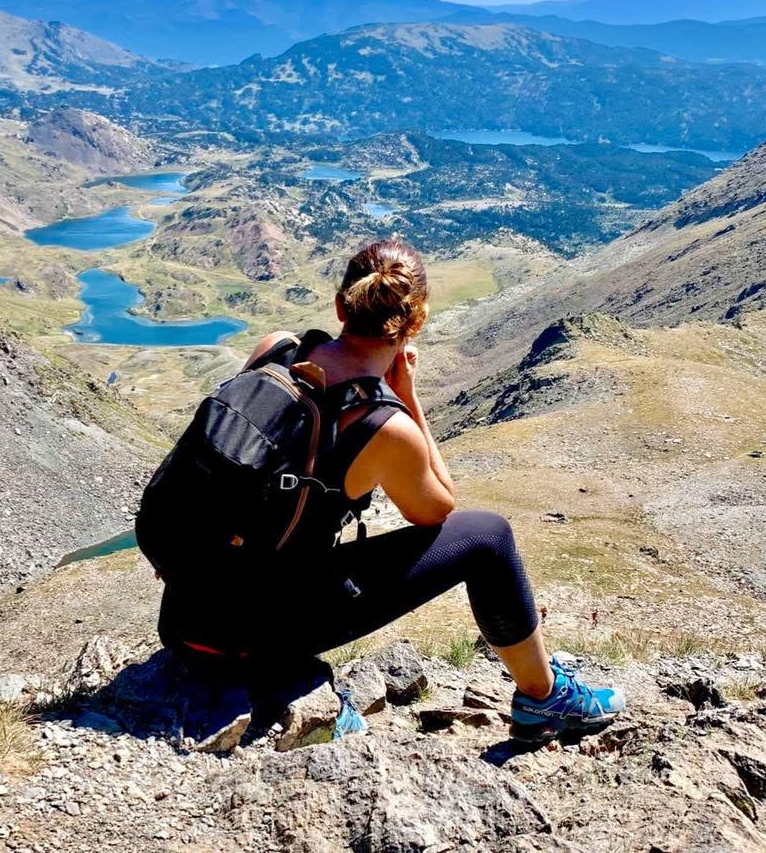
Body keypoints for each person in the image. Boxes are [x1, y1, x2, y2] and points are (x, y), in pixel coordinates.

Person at [156, 238, 625, 742]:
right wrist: (407, 398)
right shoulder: (380, 425)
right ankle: (543, 698)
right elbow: (438, 507)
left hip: (184, 615)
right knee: (488, 538)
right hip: (258, 636)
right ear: (414, 322)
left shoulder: (276, 350)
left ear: (341, 306)